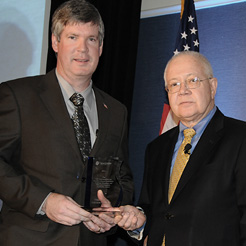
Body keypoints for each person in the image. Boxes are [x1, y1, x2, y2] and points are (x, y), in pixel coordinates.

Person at [0, 1, 134, 245]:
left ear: (101, 47)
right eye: (73, 37)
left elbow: (122, 178)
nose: (83, 49)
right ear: (55, 42)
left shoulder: (116, 111)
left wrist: (110, 211)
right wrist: (43, 201)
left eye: (91, 39)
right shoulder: (17, 96)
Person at [113, 51, 246, 246]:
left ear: (212, 86)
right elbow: (155, 211)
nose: (182, 90)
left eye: (192, 80)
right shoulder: (156, 148)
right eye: (174, 84)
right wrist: (139, 221)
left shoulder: (240, 138)